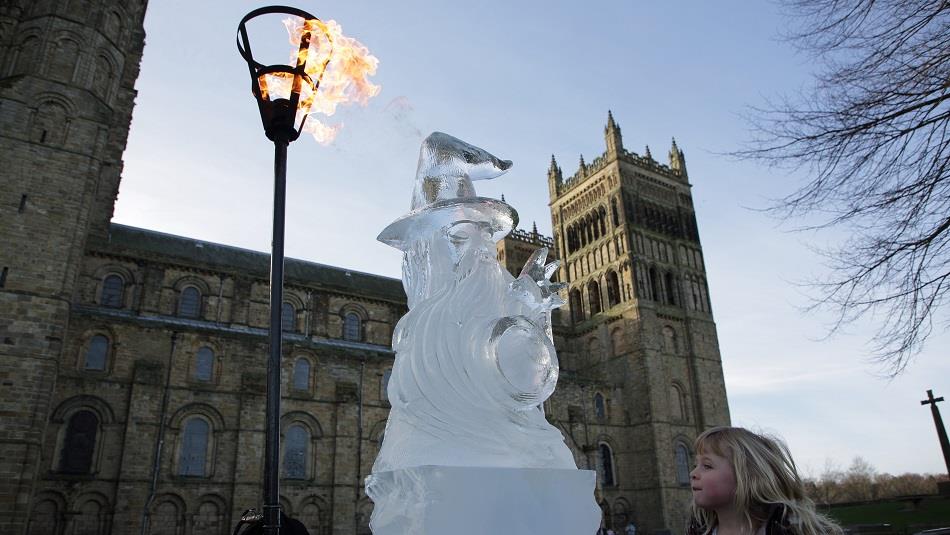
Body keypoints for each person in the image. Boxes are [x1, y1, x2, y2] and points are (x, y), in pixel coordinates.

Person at [687, 426, 842, 535]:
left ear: (747, 476)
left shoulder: (787, 529)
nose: (693, 473)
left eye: (707, 466)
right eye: (695, 465)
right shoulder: (699, 530)